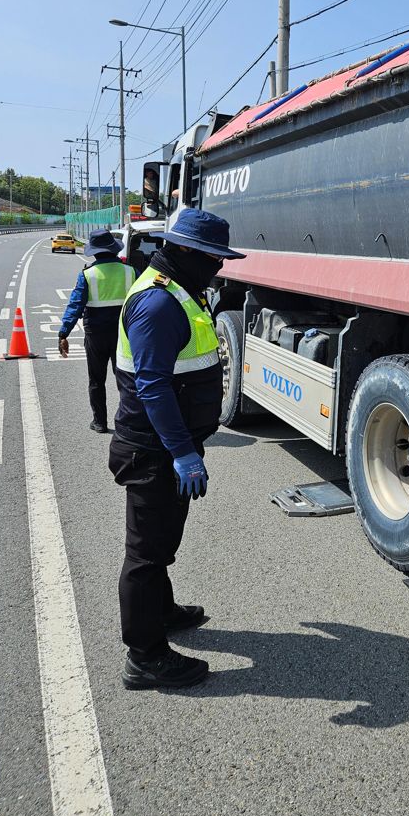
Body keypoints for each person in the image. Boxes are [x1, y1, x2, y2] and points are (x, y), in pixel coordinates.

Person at [109, 208, 245, 690]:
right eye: (214, 257)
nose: (219, 267)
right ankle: (145, 657)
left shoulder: (181, 292)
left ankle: (161, 612)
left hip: (171, 447)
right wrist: (182, 452)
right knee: (145, 555)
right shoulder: (160, 304)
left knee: (164, 540)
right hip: (153, 450)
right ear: (185, 250)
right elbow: (153, 386)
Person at [58, 229, 136, 433]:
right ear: (114, 249)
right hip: (124, 335)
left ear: (94, 252)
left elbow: (75, 305)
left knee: (96, 380)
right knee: (126, 379)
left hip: (95, 335)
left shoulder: (87, 274)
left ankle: (100, 422)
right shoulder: (131, 272)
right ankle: (128, 422)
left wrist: (63, 333)